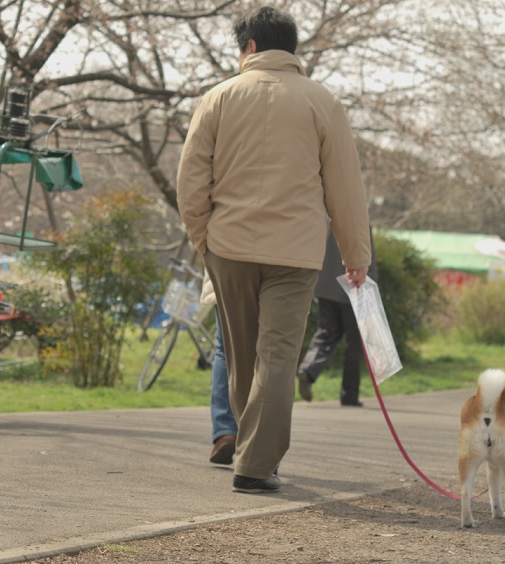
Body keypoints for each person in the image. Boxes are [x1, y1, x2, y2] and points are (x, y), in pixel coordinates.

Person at [177, 6, 372, 494]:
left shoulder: (217, 97)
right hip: (295, 253)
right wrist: (356, 255)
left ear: (249, 46)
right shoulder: (323, 101)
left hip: (228, 247)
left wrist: (203, 239)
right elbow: (345, 188)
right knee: (278, 358)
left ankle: (252, 455)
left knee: (241, 358)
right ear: (292, 48)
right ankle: (256, 463)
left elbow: (191, 179)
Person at [297, 226, 378, 406]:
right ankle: (349, 394)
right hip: (353, 287)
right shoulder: (358, 219)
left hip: (325, 285)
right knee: (354, 342)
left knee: (326, 332)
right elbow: (367, 257)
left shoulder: (324, 219)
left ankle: (308, 370)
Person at [200, 275, 237, 465]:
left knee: (225, 348)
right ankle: (261, 441)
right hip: (279, 266)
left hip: (228, 264)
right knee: (269, 350)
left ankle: (225, 431)